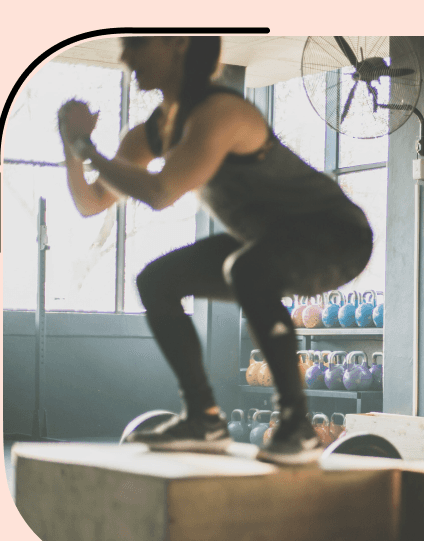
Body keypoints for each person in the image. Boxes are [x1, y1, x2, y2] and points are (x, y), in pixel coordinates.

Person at [57, 36, 373, 465]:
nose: (126, 55)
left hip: (336, 235)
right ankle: (204, 419)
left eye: (137, 43)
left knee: (246, 270)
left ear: (178, 45)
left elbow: (161, 192)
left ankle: (298, 427)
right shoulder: (152, 132)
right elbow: (92, 202)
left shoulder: (222, 111)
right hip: (264, 241)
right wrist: (72, 148)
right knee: (157, 280)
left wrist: (87, 149)